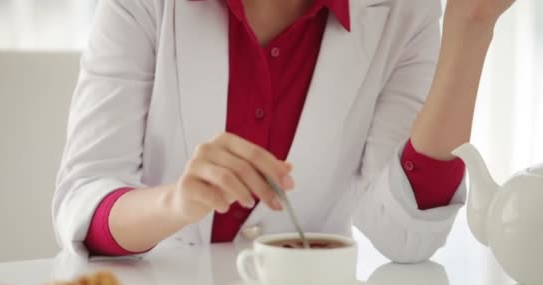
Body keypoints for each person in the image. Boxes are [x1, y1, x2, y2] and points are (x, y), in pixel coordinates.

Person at [52, 0, 515, 262]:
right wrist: (176, 202)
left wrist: (471, 25)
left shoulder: (403, 13)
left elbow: (404, 235)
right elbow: (82, 199)